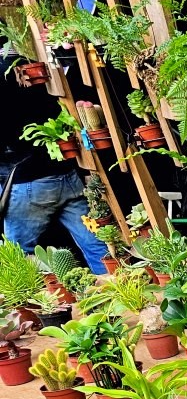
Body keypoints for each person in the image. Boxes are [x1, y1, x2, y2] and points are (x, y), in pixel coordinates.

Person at [0, 46, 108, 273]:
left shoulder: (5, 75)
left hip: (28, 182)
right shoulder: (35, 65)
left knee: (18, 258)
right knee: (98, 246)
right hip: (67, 173)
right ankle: (121, 292)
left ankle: (37, 306)